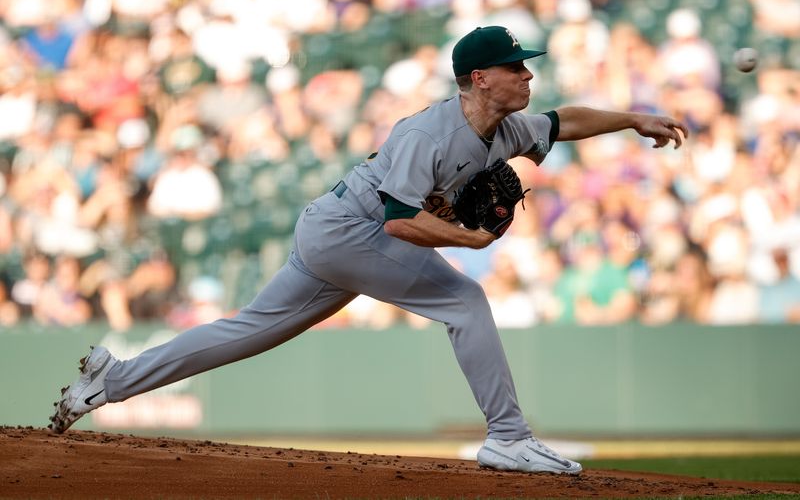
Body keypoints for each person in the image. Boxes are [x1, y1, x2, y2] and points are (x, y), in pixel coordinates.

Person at [48, 25, 687, 474]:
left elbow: (563, 121)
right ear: (479, 78)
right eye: (517, 67)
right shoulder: (428, 134)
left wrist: (633, 118)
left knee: (245, 331)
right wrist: (467, 238)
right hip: (348, 232)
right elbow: (400, 224)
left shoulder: (505, 126)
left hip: (331, 234)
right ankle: (509, 438)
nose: (527, 75)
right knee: (464, 299)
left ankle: (110, 382)